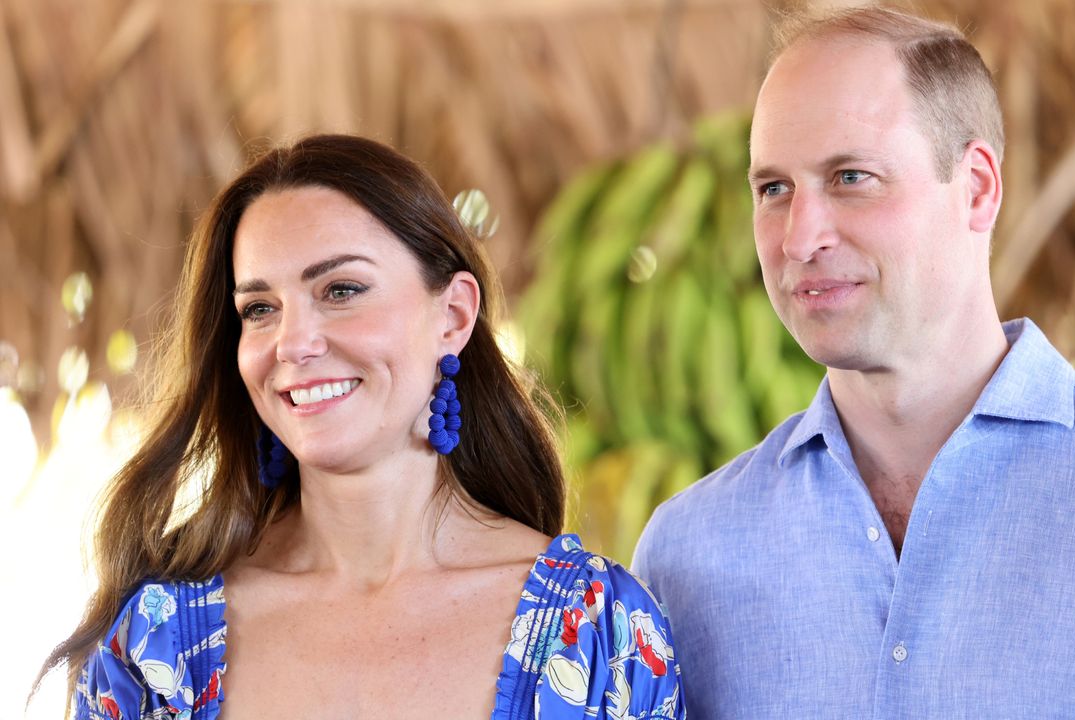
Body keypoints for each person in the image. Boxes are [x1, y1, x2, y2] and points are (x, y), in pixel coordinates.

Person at [632, 6, 1075, 718]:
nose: (798, 238)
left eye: (851, 177)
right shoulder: (684, 558)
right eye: (773, 189)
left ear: (976, 187)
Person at [39, 135, 684, 719]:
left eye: (341, 290)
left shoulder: (604, 634)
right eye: (259, 309)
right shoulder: (158, 647)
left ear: (453, 316)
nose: (292, 343)